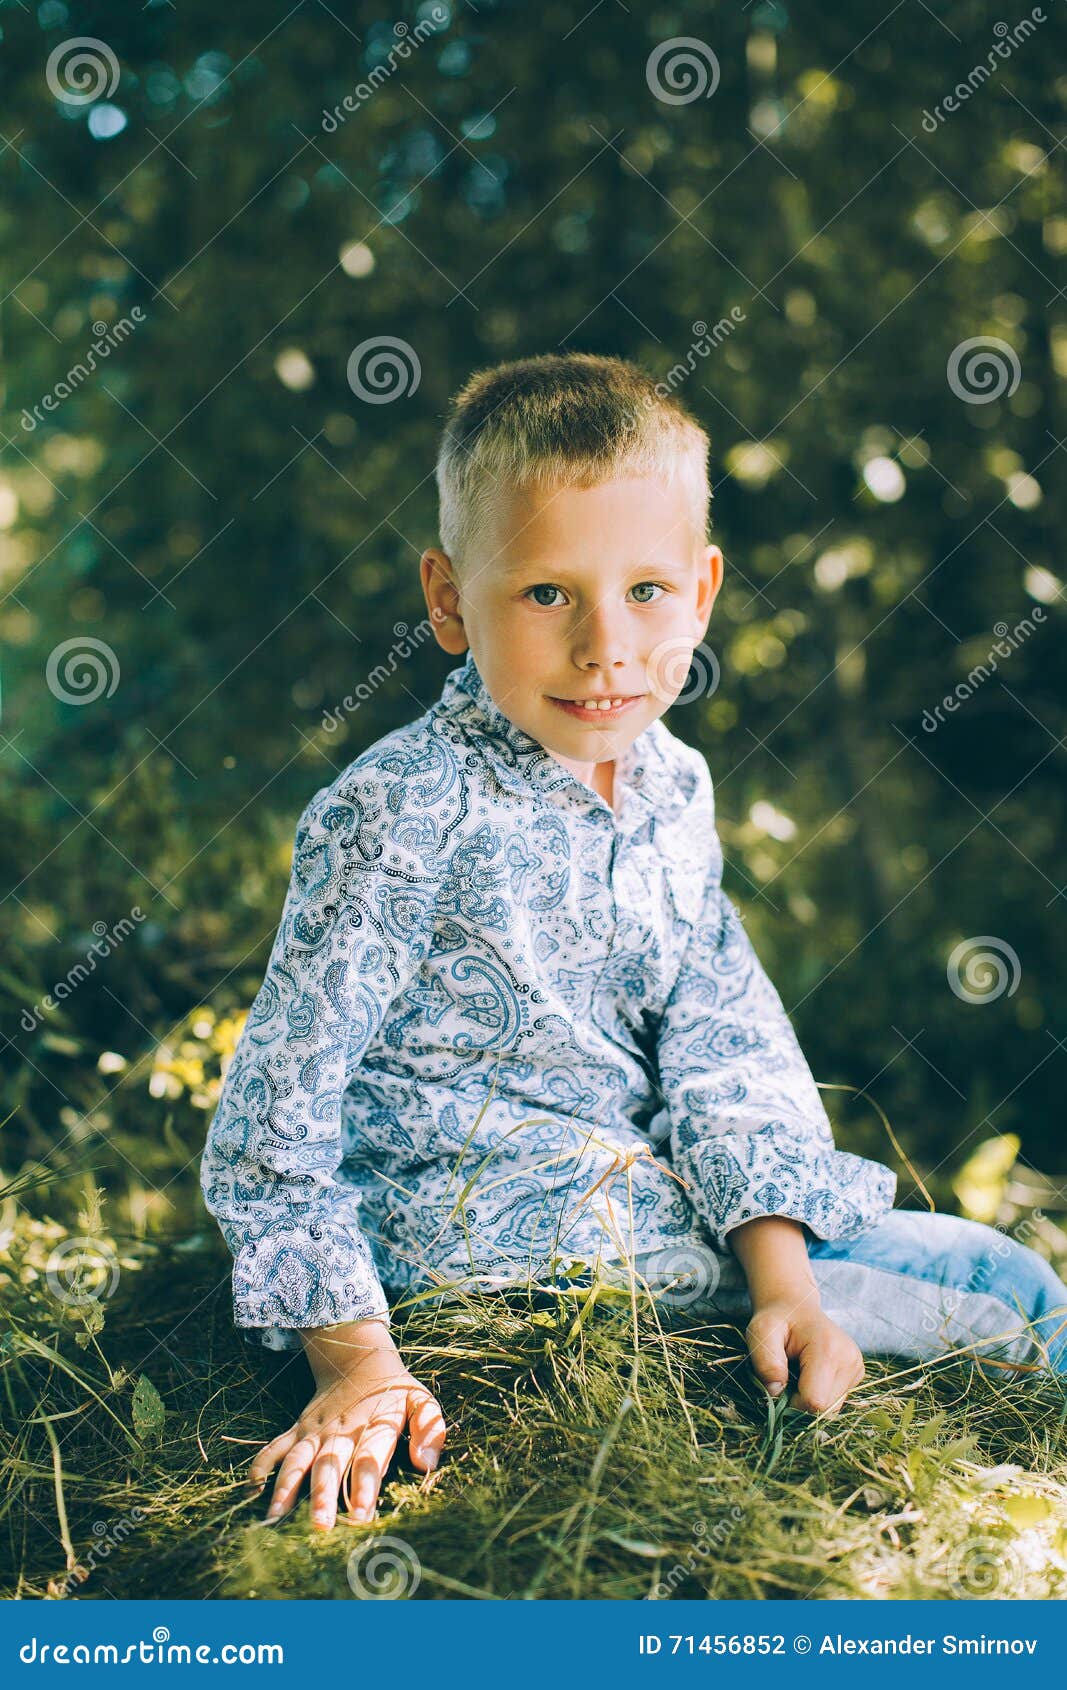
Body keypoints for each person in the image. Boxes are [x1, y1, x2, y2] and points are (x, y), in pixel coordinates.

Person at [199, 352, 1067, 1535]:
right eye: (547, 594)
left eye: (646, 590)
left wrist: (781, 1278)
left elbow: (720, 1033)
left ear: (702, 591)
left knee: (957, 1267)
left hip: (637, 1190)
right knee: (1007, 1289)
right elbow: (271, 1119)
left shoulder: (670, 786)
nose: (605, 645)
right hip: (485, 1233)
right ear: (449, 599)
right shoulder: (400, 807)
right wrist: (354, 1362)